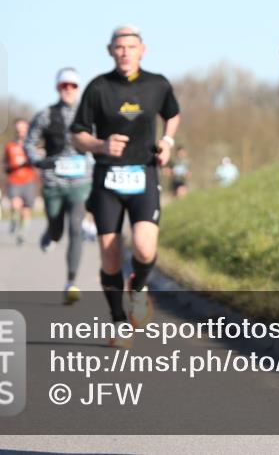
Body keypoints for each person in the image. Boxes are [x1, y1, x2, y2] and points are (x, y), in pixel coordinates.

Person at [71, 26, 181, 347]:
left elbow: (172, 114)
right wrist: (101, 146)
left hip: (144, 174)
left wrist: (168, 141)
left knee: (145, 248)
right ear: (110, 50)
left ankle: (138, 289)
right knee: (110, 257)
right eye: (119, 47)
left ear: (142, 50)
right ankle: (119, 321)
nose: (125, 52)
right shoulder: (97, 88)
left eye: (131, 46)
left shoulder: (157, 84)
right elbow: (77, 134)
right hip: (107, 178)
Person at [24, 67, 93, 305]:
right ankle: (51, 232)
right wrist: (37, 160)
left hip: (80, 182)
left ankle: (71, 282)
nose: (68, 90)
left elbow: (100, 141)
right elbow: (30, 142)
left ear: (78, 88)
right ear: (57, 88)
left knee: (76, 228)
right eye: (64, 86)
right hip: (53, 181)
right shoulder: (45, 114)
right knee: (57, 226)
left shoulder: (89, 115)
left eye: (72, 86)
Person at [3, 118, 39, 243]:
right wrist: (10, 166)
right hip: (14, 180)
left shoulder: (32, 146)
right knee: (15, 203)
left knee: (26, 209)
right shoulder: (10, 146)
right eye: (18, 129)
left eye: (23, 128)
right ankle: (14, 220)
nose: (21, 131)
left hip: (29, 180)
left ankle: (22, 233)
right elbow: (5, 163)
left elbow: (38, 161)